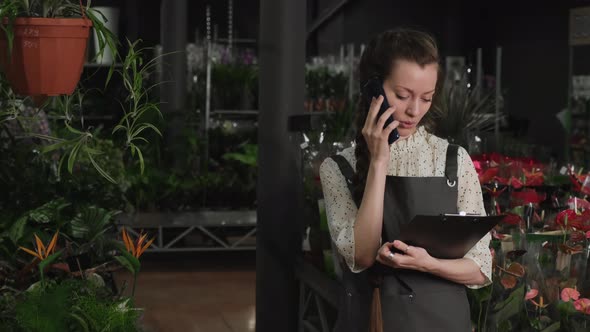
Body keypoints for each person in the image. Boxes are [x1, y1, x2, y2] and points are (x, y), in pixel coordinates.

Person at [319, 28, 492, 331]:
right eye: (402, 95)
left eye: (427, 98)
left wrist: (427, 264)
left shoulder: (454, 160)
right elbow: (361, 256)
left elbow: (481, 269)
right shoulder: (337, 168)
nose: (414, 110)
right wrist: (378, 161)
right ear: (372, 89)